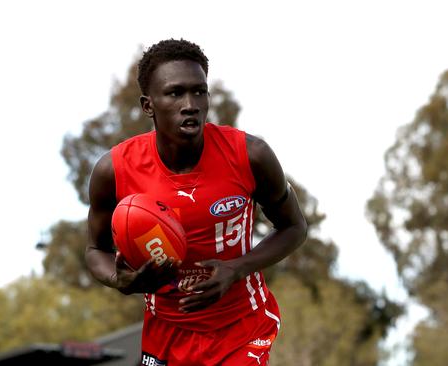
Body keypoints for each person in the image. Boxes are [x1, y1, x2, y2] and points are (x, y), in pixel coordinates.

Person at [86, 39, 307, 366]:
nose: (190, 104)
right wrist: (121, 281)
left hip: (241, 328)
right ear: (148, 106)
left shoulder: (251, 155)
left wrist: (236, 268)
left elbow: (295, 227)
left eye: (199, 91)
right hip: (166, 332)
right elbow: (95, 250)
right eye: (175, 93)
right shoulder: (114, 170)